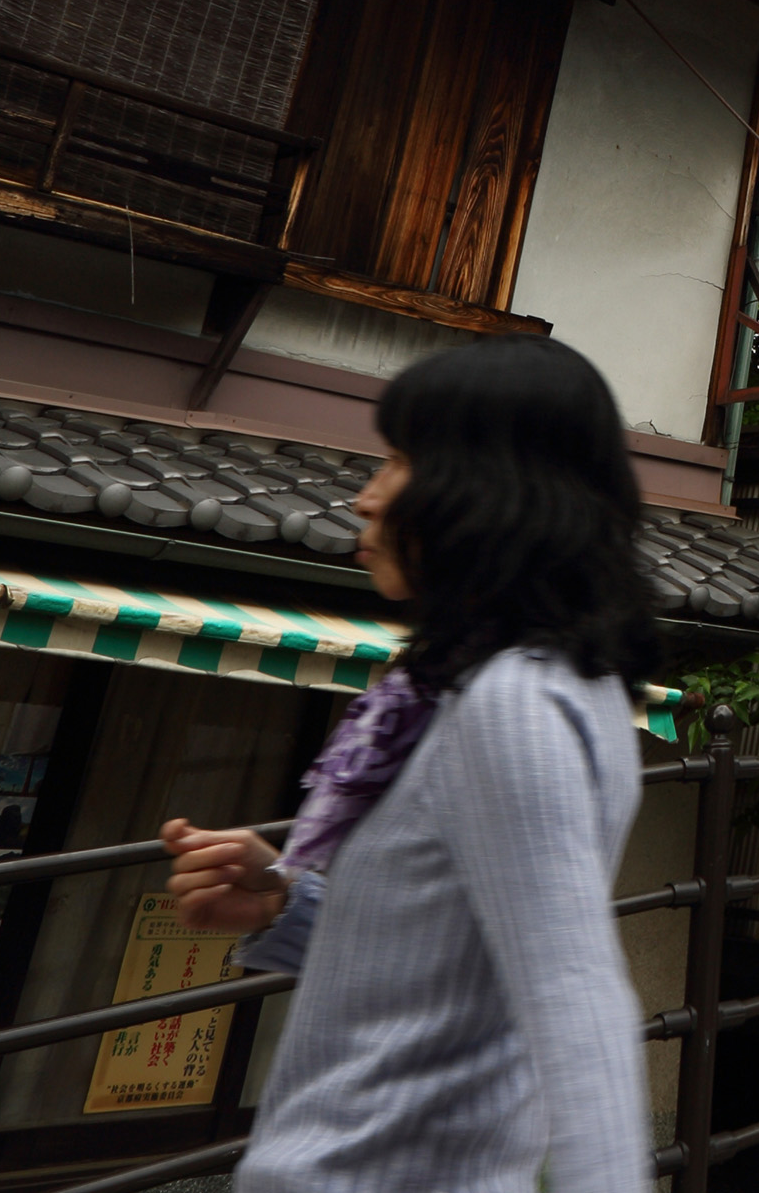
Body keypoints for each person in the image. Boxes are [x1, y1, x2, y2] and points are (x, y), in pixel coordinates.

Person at [161, 337, 659, 1192]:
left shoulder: (513, 705)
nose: (365, 497)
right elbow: (466, 975)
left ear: (487, 487)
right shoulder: (557, 687)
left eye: (397, 461)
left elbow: (575, 1001)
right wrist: (286, 899)